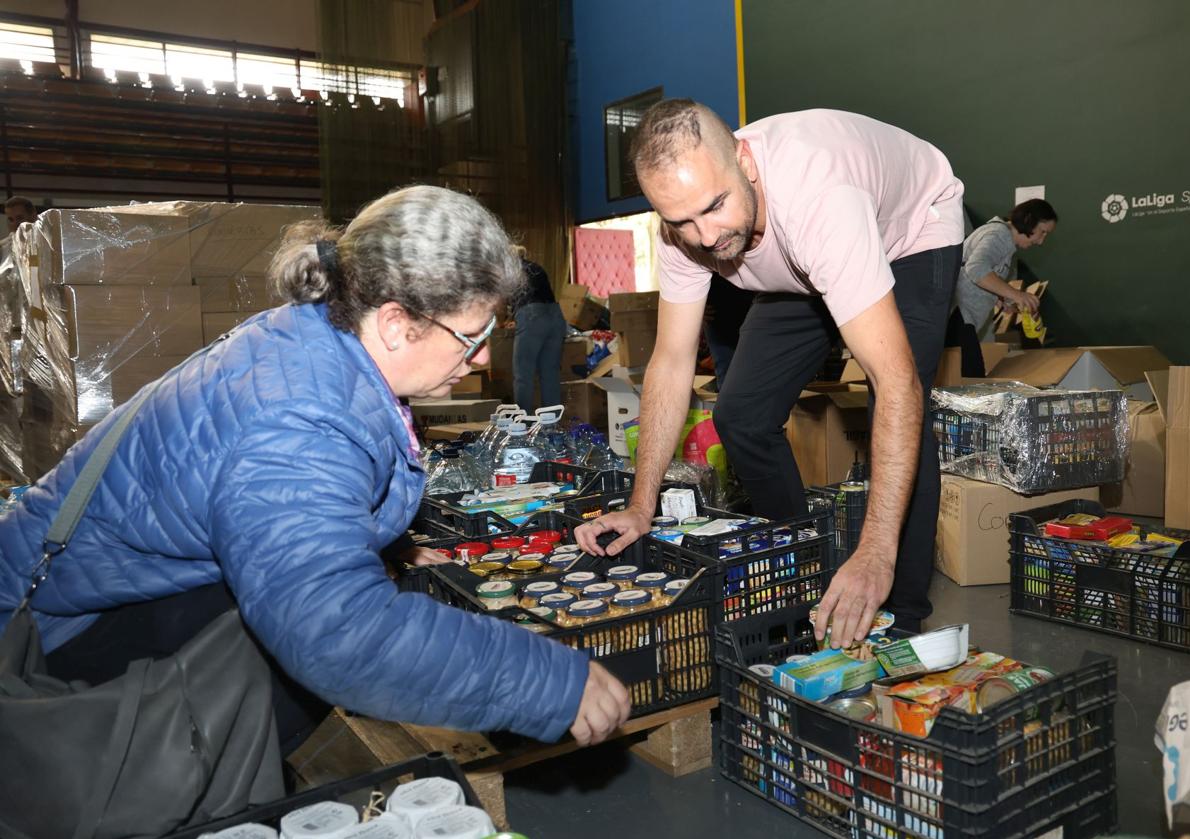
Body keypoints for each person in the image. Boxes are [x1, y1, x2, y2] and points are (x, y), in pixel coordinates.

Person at [0, 185, 630, 757]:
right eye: (471, 337)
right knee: (281, 676)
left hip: (104, 596)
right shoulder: (300, 423)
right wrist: (546, 680)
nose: (484, 355)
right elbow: (333, 629)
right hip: (58, 645)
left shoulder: (312, 335)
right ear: (393, 323)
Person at [575, 100, 965, 649]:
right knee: (741, 415)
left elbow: (896, 381)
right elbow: (671, 360)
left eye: (715, 207)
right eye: (682, 221)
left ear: (746, 161)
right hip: (804, 261)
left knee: (897, 404)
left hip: (911, 230)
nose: (706, 237)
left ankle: (897, 608)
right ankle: (804, 569)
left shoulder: (819, 197)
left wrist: (875, 549)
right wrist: (643, 504)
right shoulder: (686, 226)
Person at [946, 199, 1057, 376]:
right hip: (958, 316)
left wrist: (999, 298)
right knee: (972, 381)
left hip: (961, 317)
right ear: (1029, 221)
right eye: (1042, 232)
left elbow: (979, 273)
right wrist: (1017, 295)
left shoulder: (1003, 238)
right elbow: (976, 268)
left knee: (967, 379)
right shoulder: (1000, 236)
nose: (1041, 241)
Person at [511, 252, 567, 413]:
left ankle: (522, 426)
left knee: (523, 376)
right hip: (555, 315)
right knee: (550, 374)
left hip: (531, 316)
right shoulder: (536, 267)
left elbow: (501, 299)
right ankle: (551, 425)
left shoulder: (511, 269)